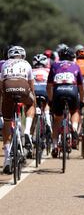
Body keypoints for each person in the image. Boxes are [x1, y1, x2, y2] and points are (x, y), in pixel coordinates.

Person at [1, 46, 36, 174]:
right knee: (31, 104)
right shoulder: (26, 63)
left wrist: (4, 99)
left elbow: (1, 85)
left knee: (6, 122)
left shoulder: (5, 64)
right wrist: (33, 99)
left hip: (8, 88)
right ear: (23, 55)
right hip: (22, 87)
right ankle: (27, 132)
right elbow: (31, 86)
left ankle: (7, 160)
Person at [47, 47, 84, 158]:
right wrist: (81, 101)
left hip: (58, 92)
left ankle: (54, 146)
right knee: (74, 111)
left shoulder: (54, 65)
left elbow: (49, 86)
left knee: (57, 119)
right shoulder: (75, 66)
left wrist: (50, 100)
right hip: (72, 91)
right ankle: (74, 129)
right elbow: (81, 87)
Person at [31, 53, 52, 141]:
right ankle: (48, 122)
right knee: (47, 103)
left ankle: (31, 135)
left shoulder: (31, 70)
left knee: (32, 111)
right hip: (45, 90)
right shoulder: (48, 70)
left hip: (34, 91)